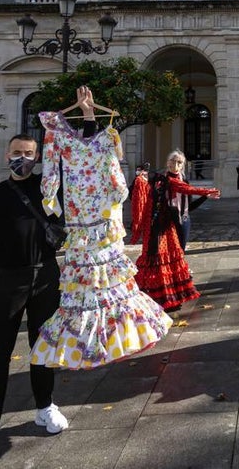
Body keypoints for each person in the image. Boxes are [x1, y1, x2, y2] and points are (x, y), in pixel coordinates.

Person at [30, 95, 171, 370]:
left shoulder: (104, 135)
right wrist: (52, 198)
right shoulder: (56, 133)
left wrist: (51, 201)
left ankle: (112, 337)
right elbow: (53, 172)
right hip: (87, 215)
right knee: (88, 284)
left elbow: (111, 173)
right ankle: (88, 342)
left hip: (95, 215)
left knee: (106, 282)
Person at [0, 132, 70, 458]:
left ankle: (45, 406)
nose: (24, 158)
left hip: (47, 276)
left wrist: (88, 119)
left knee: (43, 348)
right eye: (18, 152)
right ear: (7, 156)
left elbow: (83, 169)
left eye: (30, 153)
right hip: (9, 280)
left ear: (38, 157)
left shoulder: (49, 190)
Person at [134, 150, 220, 310]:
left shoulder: (182, 180)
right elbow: (143, 195)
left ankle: (174, 294)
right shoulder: (160, 180)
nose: (176, 165)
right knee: (161, 259)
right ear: (167, 163)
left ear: (183, 165)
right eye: (173, 161)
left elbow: (188, 198)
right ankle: (161, 296)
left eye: (179, 162)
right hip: (162, 225)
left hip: (182, 220)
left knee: (177, 258)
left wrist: (205, 196)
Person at [128, 162, 152, 245]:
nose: (137, 171)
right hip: (140, 203)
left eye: (139, 170)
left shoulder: (141, 179)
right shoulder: (139, 179)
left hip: (144, 203)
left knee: (141, 221)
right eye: (137, 170)